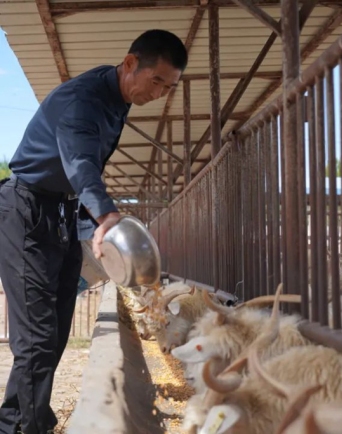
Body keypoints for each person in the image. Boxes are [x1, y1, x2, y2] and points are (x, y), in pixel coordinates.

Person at [0, 29, 188, 434]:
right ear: (131, 62)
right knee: (35, 337)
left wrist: (88, 226)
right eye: (156, 81)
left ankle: (27, 418)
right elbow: (81, 163)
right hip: (26, 211)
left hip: (61, 212)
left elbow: (82, 171)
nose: (159, 92)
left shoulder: (117, 99)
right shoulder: (82, 101)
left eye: (168, 87)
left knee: (56, 327)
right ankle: (18, 428)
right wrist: (105, 216)